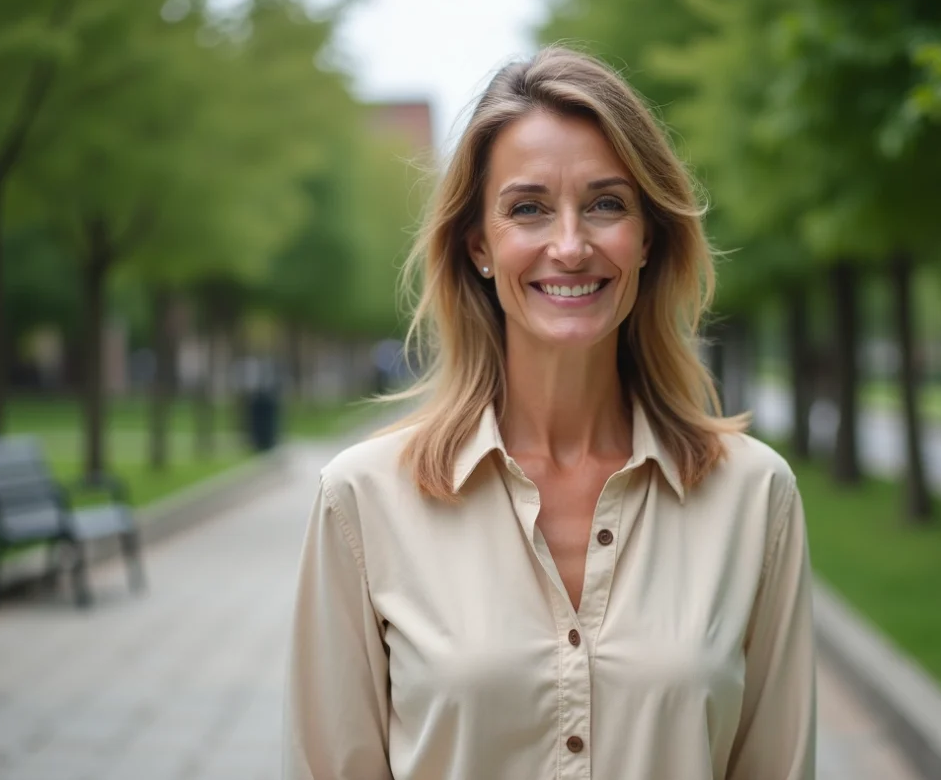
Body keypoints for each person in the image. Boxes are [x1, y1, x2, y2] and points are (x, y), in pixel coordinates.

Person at [283, 47, 816, 780]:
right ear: (479, 245)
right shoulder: (362, 501)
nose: (570, 245)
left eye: (605, 203)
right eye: (528, 208)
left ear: (647, 238)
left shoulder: (755, 497)